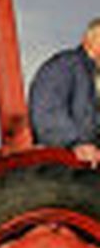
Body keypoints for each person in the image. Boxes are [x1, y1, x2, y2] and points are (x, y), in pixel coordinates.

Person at [29, 18, 100, 167]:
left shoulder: (92, 78)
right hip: (66, 159)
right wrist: (75, 143)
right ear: (90, 41)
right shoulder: (66, 65)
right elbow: (48, 109)